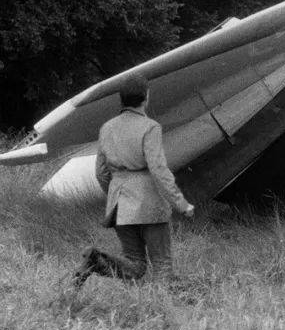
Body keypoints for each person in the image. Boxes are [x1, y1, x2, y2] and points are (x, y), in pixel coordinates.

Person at [73, 74, 195, 286]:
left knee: (135, 266)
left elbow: (101, 172)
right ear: (146, 97)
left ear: (122, 99)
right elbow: (158, 169)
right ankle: (162, 314)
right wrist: (181, 203)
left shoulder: (107, 128)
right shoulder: (150, 127)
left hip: (120, 204)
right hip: (149, 203)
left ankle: (95, 260)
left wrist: (116, 195)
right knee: (163, 267)